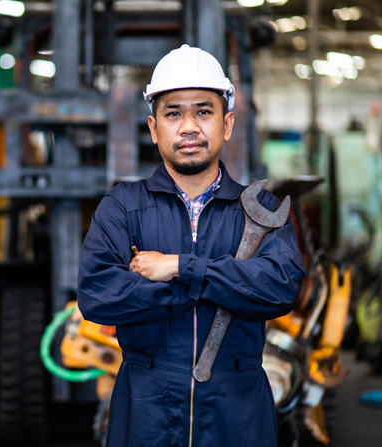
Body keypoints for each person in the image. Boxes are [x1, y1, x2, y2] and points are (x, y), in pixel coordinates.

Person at [77, 44, 305, 447]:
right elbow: (98, 295)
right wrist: (205, 288)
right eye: (173, 113)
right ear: (153, 127)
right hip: (147, 407)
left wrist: (182, 267)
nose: (188, 127)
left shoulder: (260, 210)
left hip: (238, 411)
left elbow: (280, 287)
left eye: (203, 111)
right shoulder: (122, 208)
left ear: (227, 123)